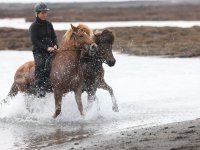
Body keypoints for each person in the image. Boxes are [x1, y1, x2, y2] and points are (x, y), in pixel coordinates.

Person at [29, 2, 58, 97]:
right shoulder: (33, 26)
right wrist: (46, 48)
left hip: (51, 49)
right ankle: (40, 88)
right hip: (38, 51)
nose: (45, 15)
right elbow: (35, 41)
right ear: (37, 13)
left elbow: (54, 37)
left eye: (46, 12)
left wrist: (55, 45)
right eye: (42, 13)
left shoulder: (49, 24)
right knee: (41, 65)